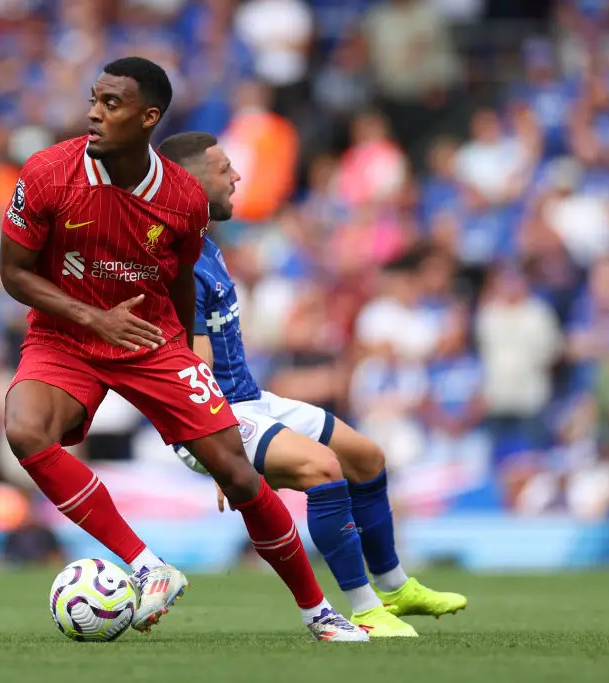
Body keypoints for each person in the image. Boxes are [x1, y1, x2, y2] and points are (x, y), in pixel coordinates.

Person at [0, 57, 366, 642]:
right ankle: (149, 567)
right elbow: (14, 273)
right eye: (95, 99)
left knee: (239, 475)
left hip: (150, 342)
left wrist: (183, 352)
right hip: (65, 334)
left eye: (112, 104)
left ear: (148, 119)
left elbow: (177, 284)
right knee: (24, 430)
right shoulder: (47, 174)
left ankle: (319, 614)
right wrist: (95, 319)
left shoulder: (182, 201)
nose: (94, 112)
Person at [158, 131, 469, 638]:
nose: (237, 177)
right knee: (323, 470)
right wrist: (215, 446)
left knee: (365, 456)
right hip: (211, 415)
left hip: (247, 400)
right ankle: (366, 610)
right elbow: (194, 360)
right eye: (224, 170)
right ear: (188, 181)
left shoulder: (203, 243)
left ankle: (394, 586)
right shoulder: (179, 260)